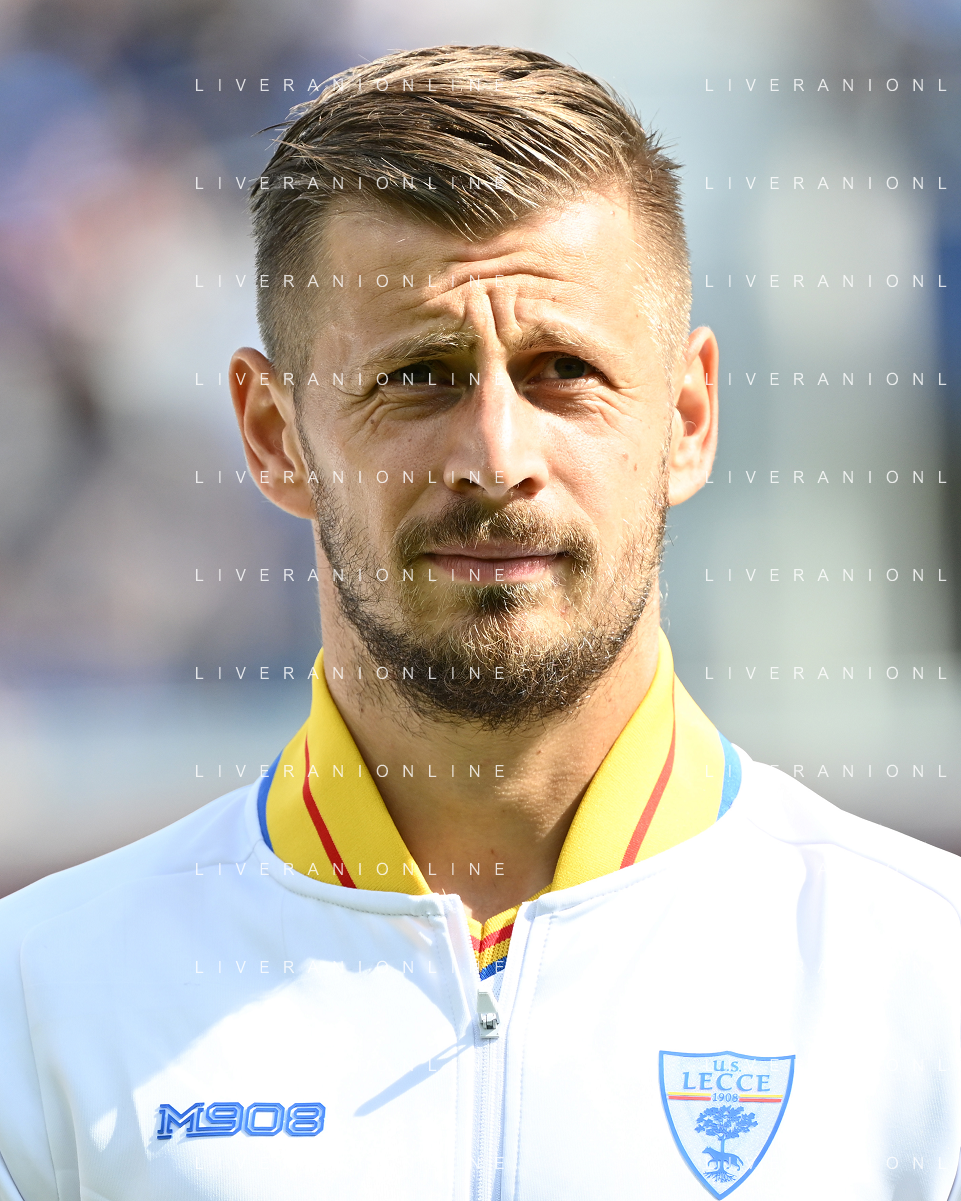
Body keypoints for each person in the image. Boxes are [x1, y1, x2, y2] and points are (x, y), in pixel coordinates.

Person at [1, 44, 959, 1201]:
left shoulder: (927, 986)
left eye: (562, 369)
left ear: (688, 416)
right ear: (271, 435)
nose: (496, 459)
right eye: (418, 375)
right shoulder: (42, 1004)